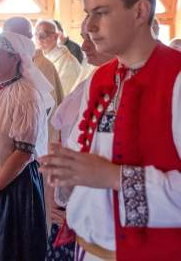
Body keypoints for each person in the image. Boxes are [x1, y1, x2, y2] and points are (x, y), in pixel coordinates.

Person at [40, 0, 181, 261]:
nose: (89, 26)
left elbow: (104, 173)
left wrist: (112, 177)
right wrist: (67, 172)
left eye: (101, 12)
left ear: (140, 11)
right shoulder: (100, 79)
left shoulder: (176, 79)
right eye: (87, 13)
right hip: (86, 249)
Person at [45, 21, 114, 261]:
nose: (83, 46)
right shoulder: (93, 81)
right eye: (83, 36)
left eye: (91, 36)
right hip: (78, 207)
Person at [0, 31, 54, 261]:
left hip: (16, 183)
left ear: (15, 58)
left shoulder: (24, 94)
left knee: (11, 247)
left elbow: (23, 152)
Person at [3, 16, 63, 110]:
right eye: (6, 37)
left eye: (16, 37)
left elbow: (49, 109)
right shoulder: (7, 63)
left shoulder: (43, 65)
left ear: (29, 37)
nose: (10, 42)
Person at [35, 19, 81, 95]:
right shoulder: (40, 57)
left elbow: (63, 94)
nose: (39, 38)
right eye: (36, 34)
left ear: (56, 37)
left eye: (43, 34)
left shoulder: (68, 63)